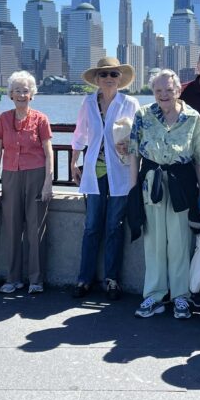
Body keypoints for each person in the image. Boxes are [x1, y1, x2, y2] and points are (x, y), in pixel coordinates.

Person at [129, 69, 200, 319]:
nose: (164, 95)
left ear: (178, 91)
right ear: (153, 92)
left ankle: (181, 296)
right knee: (153, 241)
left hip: (182, 183)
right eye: (158, 90)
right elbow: (133, 153)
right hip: (151, 181)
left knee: (180, 241)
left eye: (169, 90)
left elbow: (199, 158)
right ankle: (154, 295)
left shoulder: (192, 117)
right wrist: (133, 190)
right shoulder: (142, 115)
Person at [70, 57, 140, 300]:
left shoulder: (130, 103)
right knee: (91, 227)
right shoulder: (88, 102)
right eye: (104, 75)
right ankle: (84, 278)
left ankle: (112, 279)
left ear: (119, 78)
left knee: (114, 227)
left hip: (121, 171)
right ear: (96, 80)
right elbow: (80, 133)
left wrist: (131, 146)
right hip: (94, 171)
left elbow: (139, 135)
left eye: (113, 74)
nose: (108, 78)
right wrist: (73, 161)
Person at [0, 71, 53, 295]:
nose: (21, 94)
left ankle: (36, 280)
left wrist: (48, 181)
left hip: (35, 175)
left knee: (36, 229)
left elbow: (48, 151)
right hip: (10, 176)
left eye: (26, 91)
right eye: (17, 90)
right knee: (13, 228)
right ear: (10, 94)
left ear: (32, 94)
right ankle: (13, 277)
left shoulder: (41, 119)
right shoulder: (3, 119)